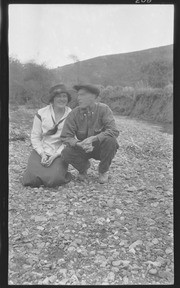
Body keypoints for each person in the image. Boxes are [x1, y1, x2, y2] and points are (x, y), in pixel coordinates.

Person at [60, 84, 119, 184]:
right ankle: (83, 168)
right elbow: (65, 137)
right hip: (82, 147)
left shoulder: (104, 109)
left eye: (82, 95)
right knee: (66, 152)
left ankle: (103, 171)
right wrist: (79, 143)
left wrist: (94, 138)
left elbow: (114, 131)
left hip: (99, 147)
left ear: (93, 97)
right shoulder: (74, 114)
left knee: (111, 141)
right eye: (78, 95)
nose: (78, 98)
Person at [22, 84, 73, 187]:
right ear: (52, 99)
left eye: (64, 96)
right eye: (58, 96)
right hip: (42, 149)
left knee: (53, 180)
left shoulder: (71, 114)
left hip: (60, 151)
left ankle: (61, 172)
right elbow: (35, 137)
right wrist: (42, 154)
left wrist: (55, 155)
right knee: (30, 180)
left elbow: (70, 139)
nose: (62, 99)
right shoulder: (41, 113)